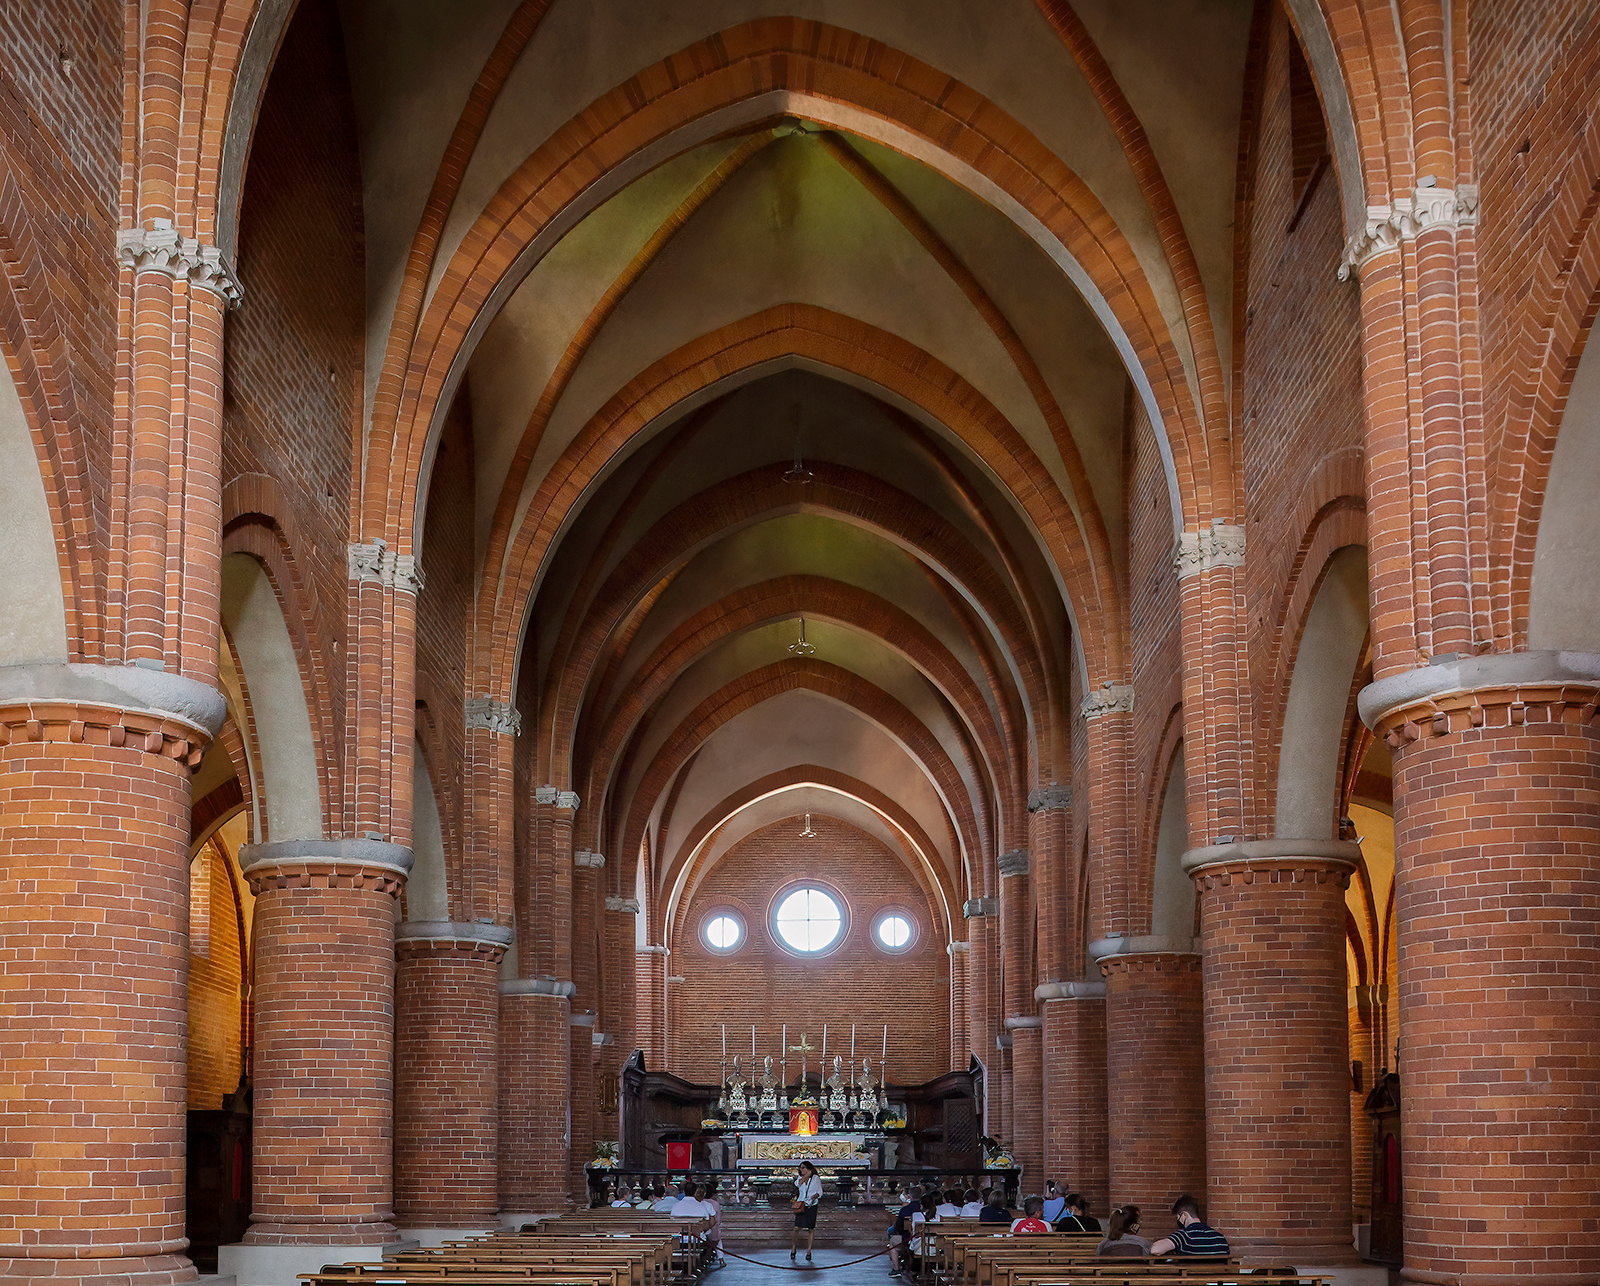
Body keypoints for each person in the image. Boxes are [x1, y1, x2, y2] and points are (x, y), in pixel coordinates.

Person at [1148, 1194, 1229, 1257]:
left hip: (1190, 1277)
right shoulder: (1220, 1238)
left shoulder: (1183, 1236)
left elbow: (1155, 1250)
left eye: (1178, 1217)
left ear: (1184, 1215)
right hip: (1216, 1278)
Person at [790, 1161, 822, 1263]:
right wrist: (807, 1174)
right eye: (800, 1168)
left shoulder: (816, 1178)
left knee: (810, 1229)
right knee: (796, 1227)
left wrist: (815, 1196)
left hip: (811, 1205)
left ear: (808, 1168)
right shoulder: (800, 1179)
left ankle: (809, 1251)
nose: (801, 1169)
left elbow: (820, 1191)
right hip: (801, 1204)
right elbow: (798, 1184)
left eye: (803, 1167)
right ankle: (794, 1247)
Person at [888, 1188, 918, 1278]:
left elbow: (899, 1227)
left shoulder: (905, 1210)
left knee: (892, 1243)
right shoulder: (924, 1207)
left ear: (910, 1196)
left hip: (908, 1238)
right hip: (931, 1240)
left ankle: (896, 1268)